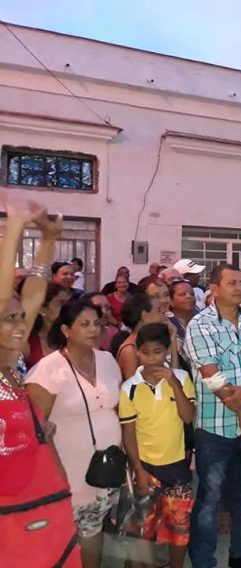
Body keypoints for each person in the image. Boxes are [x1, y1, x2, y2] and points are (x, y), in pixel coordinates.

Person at [0, 201, 81, 567]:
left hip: (35, 500)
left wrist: (47, 240)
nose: (21, 325)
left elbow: (29, 297)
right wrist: (15, 226)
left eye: (22, 319)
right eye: (8, 320)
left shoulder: (10, 367)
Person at [183, 264, 241, 568]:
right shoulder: (200, 325)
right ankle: (204, 561)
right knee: (209, 500)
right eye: (231, 283)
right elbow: (211, 375)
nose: (238, 288)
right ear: (215, 289)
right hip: (215, 427)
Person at [26, 299, 123, 568]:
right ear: (67, 330)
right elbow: (37, 428)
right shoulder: (49, 369)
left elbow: (116, 409)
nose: (93, 329)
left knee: (93, 530)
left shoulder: (106, 360)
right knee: (64, 537)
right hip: (67, 471)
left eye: (96, 323)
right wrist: (52, 473)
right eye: (84, 324)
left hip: (106, 468)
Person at [119, 323, 196, 568]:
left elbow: (188, 417)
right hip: (146, 469)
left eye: (158, 352)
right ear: (138, 352)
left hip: (177, 468)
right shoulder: (129, 387)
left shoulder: (181, 378)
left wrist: (173, 383)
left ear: (166, 352)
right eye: (146, 351)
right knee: (142, 530)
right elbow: (129, 433)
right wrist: (138, 469)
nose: (152, 358)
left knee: (179, 529)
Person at [114, 293, 168, 380]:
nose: (162, 316)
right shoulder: (130, 350)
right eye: (158, 311)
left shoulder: (152, 341)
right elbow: (134, 388)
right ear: (144, 315)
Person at [25, 282, 71, 368]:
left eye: (68, 304)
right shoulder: (29, 341)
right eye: (61, 303)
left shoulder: (71, 337)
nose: (67, 309)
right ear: (42, 309)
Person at [167, 279, 199, 371]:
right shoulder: (167, 324)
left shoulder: (203, 320)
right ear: (171, 301)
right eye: (182, 294)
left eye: (192, 294)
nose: (189, 297)